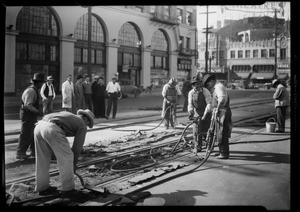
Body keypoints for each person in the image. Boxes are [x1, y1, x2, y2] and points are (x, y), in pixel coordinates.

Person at [34, 109, 95, 197]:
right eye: (88, 124)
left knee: (42, 159)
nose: (87, 126)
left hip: (39, 126)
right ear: (86, 119)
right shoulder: (82, 124)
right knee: (67, 157)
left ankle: (42, 187)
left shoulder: (69, 115)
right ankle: (68, 189)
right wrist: (73, 165)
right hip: (52, 128)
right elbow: (77, 147)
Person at [203, 74, 232, 159]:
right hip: (220, 112)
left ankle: (224, 153)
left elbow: (222, 99)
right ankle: (221, 152)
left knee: (222, 133)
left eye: (208, 84)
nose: (209, 86)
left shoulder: (218, 87)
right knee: (218, 132)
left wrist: (218, 109)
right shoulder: (216, 87)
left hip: (222, 112)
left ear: (211, 81)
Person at [16, 73, 45, 160]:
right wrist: (38, 111)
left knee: (33, 133)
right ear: (38, 83)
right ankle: (20, 153)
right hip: (28, 115)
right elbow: (28, 105)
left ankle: (33, 152)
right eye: (42, 83)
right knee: (26, 134)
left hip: (31, 116)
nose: (42, 85)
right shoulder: (31, 91)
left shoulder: (35, 90)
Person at [188, 76, 212, 154]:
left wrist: (205, 115)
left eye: (198, 84)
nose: (197, 86)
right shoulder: (191, 93)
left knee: (207, 132)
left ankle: (209, 147)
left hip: (206, 113)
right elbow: (190, 104)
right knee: (196, 132)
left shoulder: (206, 91)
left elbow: (209, 103)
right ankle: (197, 147)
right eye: (195, 84)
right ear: (193, 85)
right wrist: (190, 111)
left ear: (201, 84)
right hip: (196, 113)